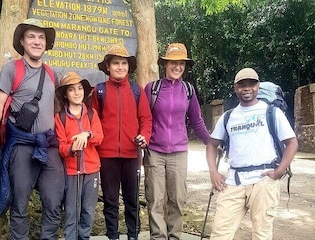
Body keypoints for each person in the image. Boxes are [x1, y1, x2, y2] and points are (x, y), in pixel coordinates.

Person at [0, 18, 65, 240]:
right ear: (22, 41)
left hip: (48, 146)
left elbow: (56, 111)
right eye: (31, 36)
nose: (37, 41)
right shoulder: (12, 69)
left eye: (41, 37)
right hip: (22, 145)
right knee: (19, 203)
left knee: (54, 201)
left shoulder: (51, 73)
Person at [206, 68, 298, 239]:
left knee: (261, 234)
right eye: (242, 85)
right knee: (220, 233)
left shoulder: (272, 113)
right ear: (235, 89)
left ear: (258, 86)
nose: (247, 88)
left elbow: (292, 142)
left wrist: (279, 171)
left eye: (251, 84)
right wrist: (213, 172)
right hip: (234, 181)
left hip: (263, 181)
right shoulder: (228, 116)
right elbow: (212, 145)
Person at [143, 43, 211, 240]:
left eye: (181, 63)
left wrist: (210, 142)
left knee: (178, 198)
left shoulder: (188, 90)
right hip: (154, 151)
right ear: (165, 64)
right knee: (155, 199)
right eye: (173, 62)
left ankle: (174, 236)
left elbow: (197, 120)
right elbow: (144, 119)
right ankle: (158, 237)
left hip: (179, 152)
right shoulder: (152, 89)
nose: (177, 67)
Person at [90, 44, 152, 240]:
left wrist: (144, 136)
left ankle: (133, 235)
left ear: (128, 66)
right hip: (106, 155)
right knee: (110, 201)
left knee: (132, 200)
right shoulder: (98, 92)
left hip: (132, 153)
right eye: (115, 63)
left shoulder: (136, 90)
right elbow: (93, 122)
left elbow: (146, 119)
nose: (120, 67)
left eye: (124, 63)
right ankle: (112, 236)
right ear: (108, 67)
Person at [54, 71, 104, 240]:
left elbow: (99, 136)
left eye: (80, 88)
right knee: (71, 211)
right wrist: (71, 149)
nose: (77, 92)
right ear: (65, 94)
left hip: (91, 170)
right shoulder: (60, 117)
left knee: (88, 211)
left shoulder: (91, 114)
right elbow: (61, 146)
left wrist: (87, 134)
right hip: (70, 171)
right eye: (72, 90)